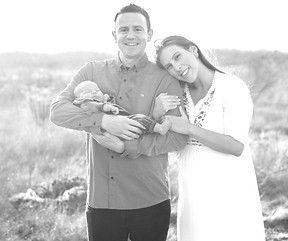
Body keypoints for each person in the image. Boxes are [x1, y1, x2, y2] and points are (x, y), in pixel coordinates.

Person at [50, 4, 187, 241]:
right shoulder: (91, 71)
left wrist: (128, 147)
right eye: (123, 30)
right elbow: (57, 111)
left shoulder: (165, 79)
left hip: (150, 200)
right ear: (114, 35)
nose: (130, 35)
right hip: (103, 202)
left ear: (149, 34)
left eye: (137, 29)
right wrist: (104, 121)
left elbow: (177, 137)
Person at [154, 36, 265, 241]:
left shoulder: (231, 87)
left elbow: (236, 145)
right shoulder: (177, 94)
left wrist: (189, 128)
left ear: (194, 50)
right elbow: (166, 141)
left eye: (178, 57)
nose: (177, 67)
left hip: (229, 193)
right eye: (169, 66)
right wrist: (156, 112)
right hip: (192, 195)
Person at [73, 80, 172, 153]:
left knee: (136, 128)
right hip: (122, 122)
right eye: (88, 91)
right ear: (80, 98)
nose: (94, 92)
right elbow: (96, 106)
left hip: (120, 125)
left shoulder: (99, 101)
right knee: (141, 118)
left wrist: (106, 98)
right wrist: (105, 106)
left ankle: (120, 146)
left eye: (96, 90)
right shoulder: (87, 103)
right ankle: (160, 128)